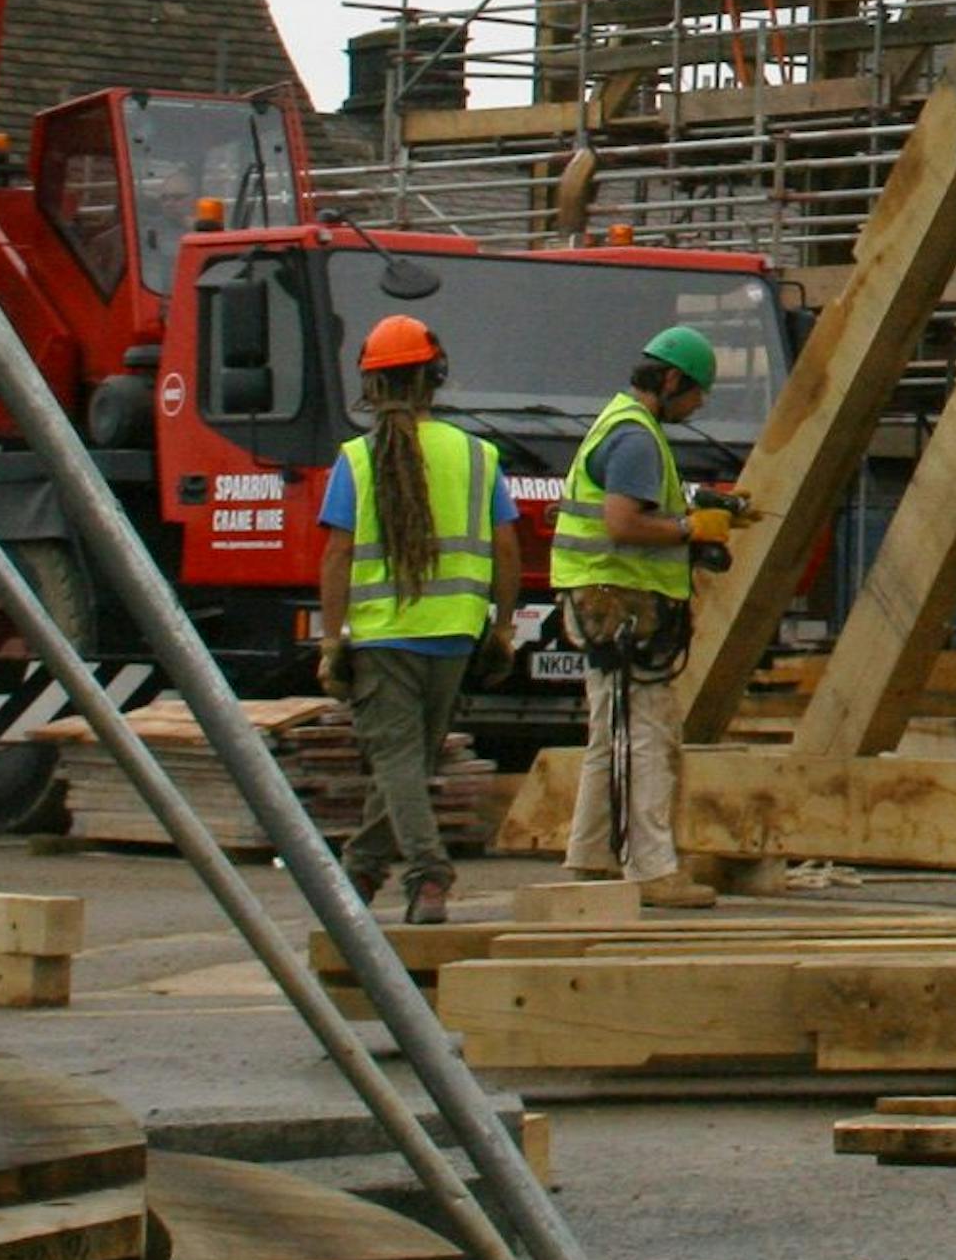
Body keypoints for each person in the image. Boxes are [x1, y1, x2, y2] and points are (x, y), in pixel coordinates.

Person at [313, 313, 519, 925]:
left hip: (383, 637)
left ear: (372, 387)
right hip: (455, 633)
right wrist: (503, 626)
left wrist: (330, 641)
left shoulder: (356, 459)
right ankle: (363, 867)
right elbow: (508, 546)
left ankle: (429, 876)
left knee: (397, 763)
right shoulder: (479, 456)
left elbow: (338, 553)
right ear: (436, 378)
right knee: (411, 763)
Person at [548, 323, 749, 900]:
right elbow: (623, 522)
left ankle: (590, 855)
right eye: (695, 393)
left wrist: (708, 507)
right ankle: (652, 869)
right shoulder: (636, 437)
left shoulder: (624, 426)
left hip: (601, 600)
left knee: (610, 733)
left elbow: (639, 503)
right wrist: (690, 530)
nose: (699, 405)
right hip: (621, 604)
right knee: (646, 734)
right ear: (669, 379)